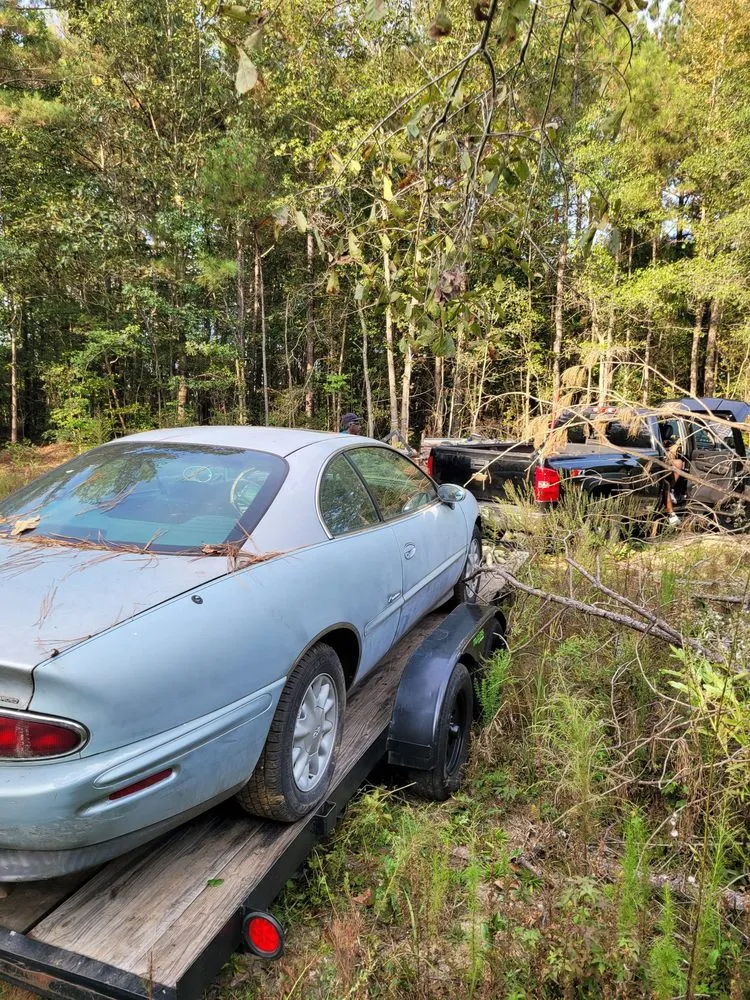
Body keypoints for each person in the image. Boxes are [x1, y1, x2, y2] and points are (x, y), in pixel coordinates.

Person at [660, 425, 685, 525]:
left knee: (678, 463)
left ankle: (672, 491)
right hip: (657, 464)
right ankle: (671, 515)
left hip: (663, 463)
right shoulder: (657, 439)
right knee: (666, 484)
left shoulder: (667, 441)